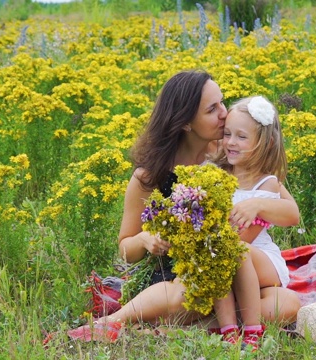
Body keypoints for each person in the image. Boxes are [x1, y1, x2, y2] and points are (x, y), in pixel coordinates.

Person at [65, 70, 301, 343]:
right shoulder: (151, 176)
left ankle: (190, 328)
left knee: (287, 303)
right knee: (189, 295)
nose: (225, 113)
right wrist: (144, 239)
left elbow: (285, 206)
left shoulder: (229, 154)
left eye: (222, 102)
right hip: (182, 275)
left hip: (229, 269)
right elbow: (125, 250)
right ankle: (110, 323)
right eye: (213, 109)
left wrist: (257, 204)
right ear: (187, 123)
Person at [211, 95, 291, 349]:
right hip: (226, 251)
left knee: (233, 251)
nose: (231, 142)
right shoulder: (219, 175)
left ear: (263, 144)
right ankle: (228, 331)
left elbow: (246, 237)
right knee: (219, 255)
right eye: (227, 134)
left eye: (241, 137)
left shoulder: (266, 183)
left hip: (261, 260)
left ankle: (253, 331)